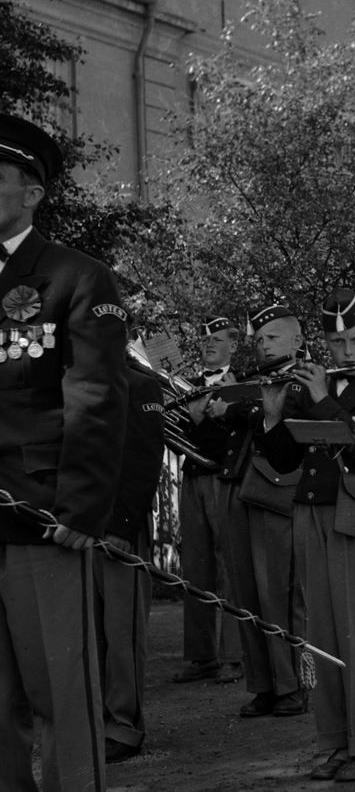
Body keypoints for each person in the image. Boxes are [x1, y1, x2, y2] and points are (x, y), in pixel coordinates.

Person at [0, 112, 128, 792]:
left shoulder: (76, 279)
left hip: (45, 520)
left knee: (59, 694)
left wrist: (81, 506)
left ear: (31, 191)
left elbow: (97, 400)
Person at [257, 288, 355, 781]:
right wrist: (274, 414)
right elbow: (282, 462)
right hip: (311, 512)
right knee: (320, 636)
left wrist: (322, 400)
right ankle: (332, 742)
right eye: (337, 341)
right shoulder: (306, 387)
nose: (346, 352)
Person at [221, 304, 309, 718]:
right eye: (259, 340)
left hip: (278, 493)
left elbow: (281, 419)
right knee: (247, 595)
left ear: (297, 340)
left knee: (281, 594)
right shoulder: (253, 382)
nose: (263, 345)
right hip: (243, 489)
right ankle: (263, 684)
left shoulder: (304, 380)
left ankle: (294, 684)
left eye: (272, 338)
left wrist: (239, 408)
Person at [97, 317, 166, 764]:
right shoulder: (73, 382)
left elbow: (145, 460)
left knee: (120, 631)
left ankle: (123, 725)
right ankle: (93, 718)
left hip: (116, 526)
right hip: (74, 523)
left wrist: (122, 525)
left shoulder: (140, 385)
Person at [173, 314, 247, 684]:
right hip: (192, 479)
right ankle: (201, 656)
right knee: (195, 567)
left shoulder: (241, 387)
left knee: (229, 565)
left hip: (222, 478)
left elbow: (229, 443)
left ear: (233, 346)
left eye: (217, 339)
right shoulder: (185, 387)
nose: (209, 345)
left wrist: (200, 422)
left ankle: (234, 654)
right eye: (205, 340)